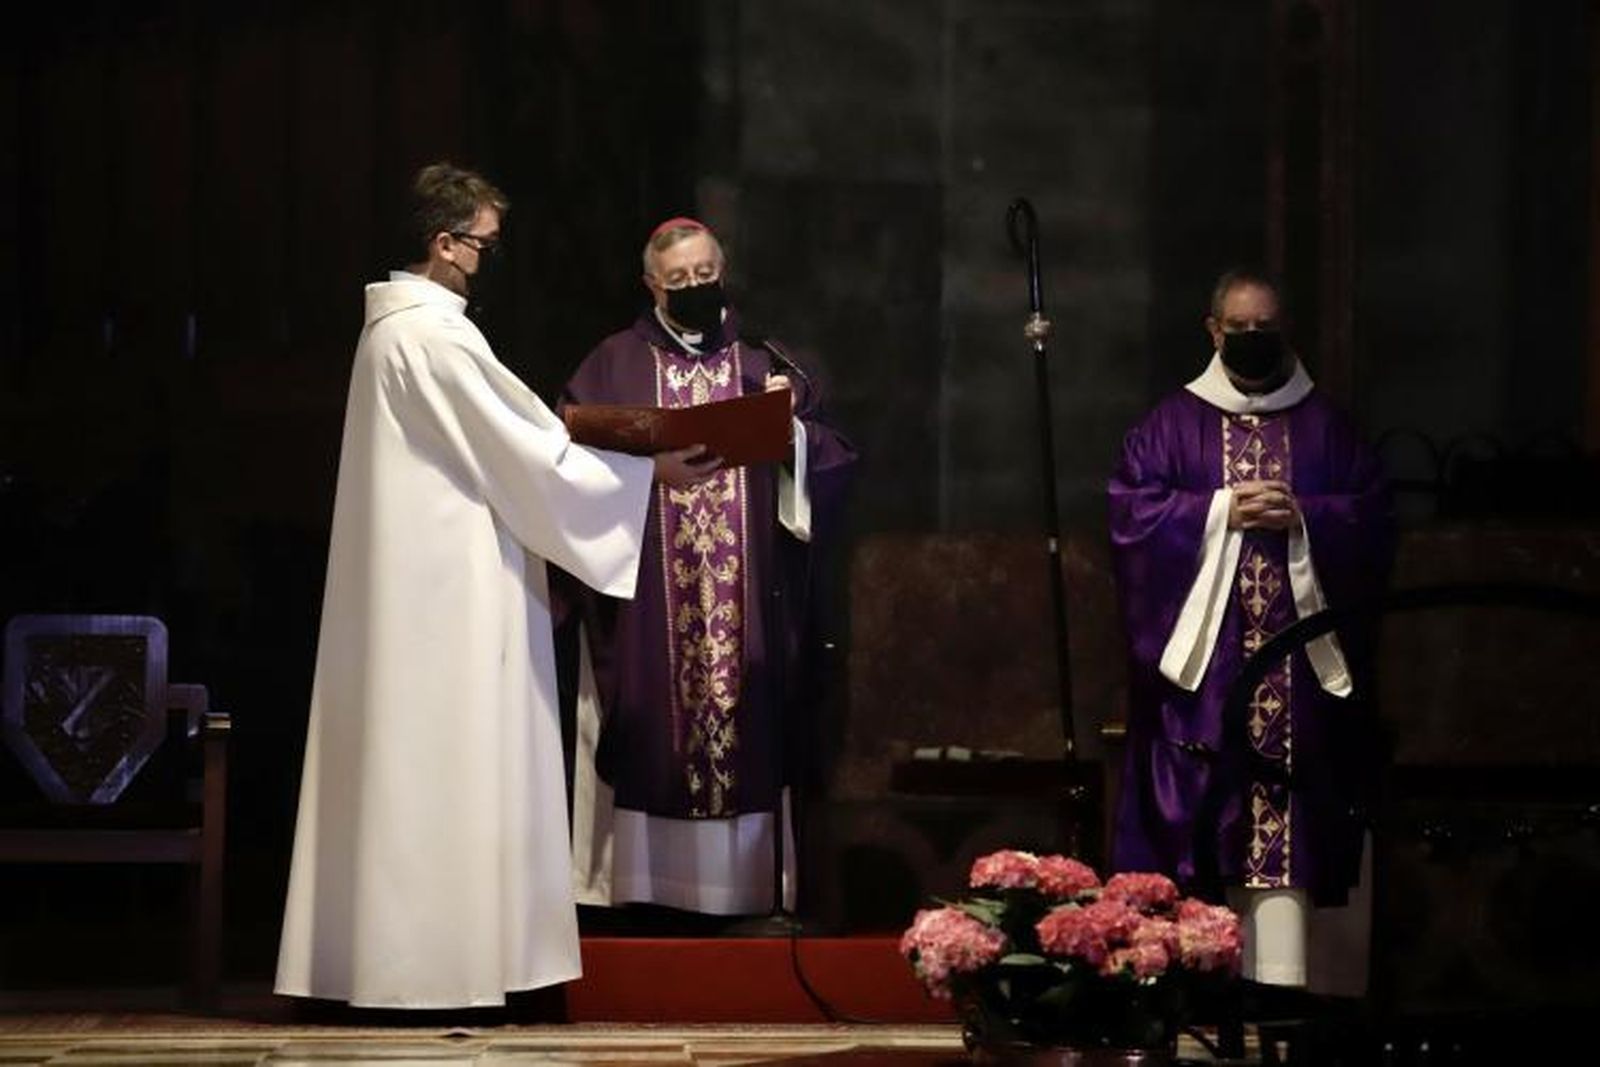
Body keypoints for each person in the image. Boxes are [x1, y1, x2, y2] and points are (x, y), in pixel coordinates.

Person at [275, 164, 718, 1008]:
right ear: (442, 244)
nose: (487, 260)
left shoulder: (397, 332)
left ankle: (415, 963)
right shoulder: (428, 337)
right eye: (481, 243)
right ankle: (441, 970)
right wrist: (649, 473)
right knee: (447, 769)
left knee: (415, 774)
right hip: (449, 599)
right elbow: (529, 450)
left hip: (424, 588)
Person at [559, 217, 856, 917]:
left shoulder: (763, 361)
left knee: (749, 713)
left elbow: (836, 455)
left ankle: (741, 889)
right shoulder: (613, 364)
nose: (695, 288)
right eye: (679, 280)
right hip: (652, 603)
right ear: (650, 286)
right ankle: (644, 891)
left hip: (746, 593)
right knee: (651, 719)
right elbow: (564, 457)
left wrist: (792, 437)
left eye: (704, 274)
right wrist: (646, 474)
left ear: (722, 270)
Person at [1107, 268, 1391, 990]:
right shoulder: (1170, 426)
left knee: (1293, 832)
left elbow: (1371, 517)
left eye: (1268, 330)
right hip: (1205, 687)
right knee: (1206, 826)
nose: (1256, 343)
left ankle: (1299, 1007)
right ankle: (1197, 1006)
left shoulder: (1329, 428)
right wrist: (1217, 513)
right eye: (1241, 331)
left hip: (1302, 688)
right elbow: (1129, 519)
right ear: (1213, 331)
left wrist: (1307, 517)